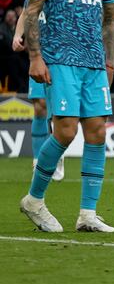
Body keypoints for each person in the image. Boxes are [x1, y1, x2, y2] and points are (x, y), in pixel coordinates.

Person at [20, 0, 114, 233]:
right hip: (60, 56)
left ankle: (87, 214)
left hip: (93, 60)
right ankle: (34, 200)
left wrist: (110, 60)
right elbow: (32, 11)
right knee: (65, 131)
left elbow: (110, 20)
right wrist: (36, 57)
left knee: (97, 132)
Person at [12, 9, 65, 182]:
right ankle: (37, 161)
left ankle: (56, 154)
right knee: (40, 105)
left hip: (61, 57)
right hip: (39, 56)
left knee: (56, 108)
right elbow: (26, 12)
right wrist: (17, 35)